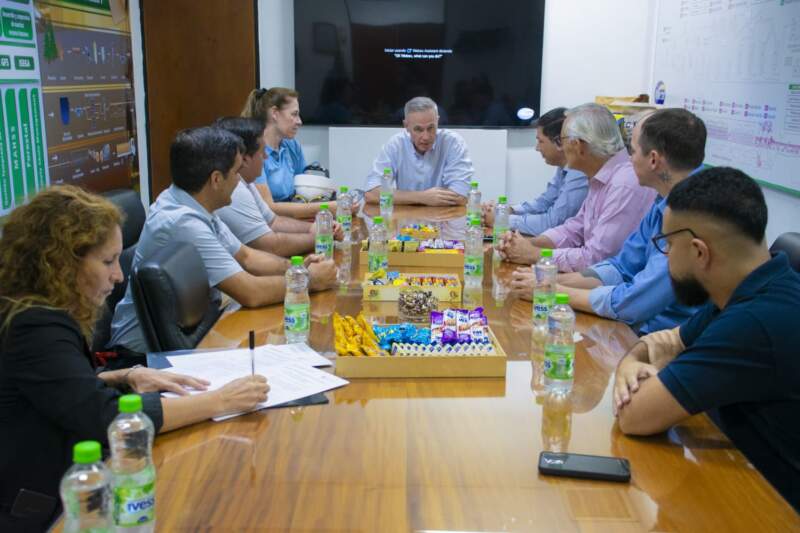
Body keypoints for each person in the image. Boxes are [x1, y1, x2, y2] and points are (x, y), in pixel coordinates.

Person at [0, 186, 269, 530]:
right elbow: (107, 417)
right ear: (61, 263)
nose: (118, 275)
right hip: (43, 509)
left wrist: (123, 375)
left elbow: (55, 387)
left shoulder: (34, 309)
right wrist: (220, 401)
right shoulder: (34, 326)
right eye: (107, 261)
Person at [613, 167, 800, 511]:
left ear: (699, 252)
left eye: (668, 245)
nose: (666, 255)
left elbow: (635, 417)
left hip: (772, 510)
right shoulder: (756, 284)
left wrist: (635, 374)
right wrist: (630, 364)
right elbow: (668, 340)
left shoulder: (753, 322)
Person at [109, 127, 336, 354]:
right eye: (236, 172)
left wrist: (297, 269)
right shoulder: (183, 222)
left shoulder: (194, 202)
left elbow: (247, 257)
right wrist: (310, 280)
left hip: (199, 330)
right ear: (216, 179)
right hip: (141, 356)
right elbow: (250, 292)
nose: (240, 181)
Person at [511, 108, 706, 335]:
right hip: (638, 324)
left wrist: (552, 290)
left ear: (653, 159)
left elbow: (633, 303)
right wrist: (547, 280)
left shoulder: (690, 211)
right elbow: (621, 267)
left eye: (633, 150)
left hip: (663, 335)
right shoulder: (663, 200)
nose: (629, 159)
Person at [498, 103, 655, 272]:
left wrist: (535, 254)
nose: (561, 147)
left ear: (578, 145)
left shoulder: (623, 185)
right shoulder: (601, 175)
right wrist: (527, 244)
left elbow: (595, 258)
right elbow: (575, 228)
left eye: (562, 140)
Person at [213, 116, 343, 256]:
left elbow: (274, 222)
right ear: (244, 159)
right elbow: (270, 246)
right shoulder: (235, 190)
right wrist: (322, 236)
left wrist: (316, 227)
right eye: (262, 152)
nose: (266, 157)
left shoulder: (246, 182)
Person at [241, 87, 351, 219]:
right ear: (275, 113)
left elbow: (303, 193)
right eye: (294, 114)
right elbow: (268, 208)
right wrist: (328, 207)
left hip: (293, 219)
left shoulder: (292, 146)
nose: (300, 121)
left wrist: (334, 201)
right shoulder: (254, 151)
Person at [482, 107, 588, 235]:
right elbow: (544, 202)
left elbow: (552, 222)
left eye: (540, 141)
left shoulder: (579, 172)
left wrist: (502, 220)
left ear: (559, 142)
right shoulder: (564, 167)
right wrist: (508, 210)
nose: (537, 148)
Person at [363, 96, 473, 206]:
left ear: (437, 121)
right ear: (406, 126)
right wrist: (422, 197)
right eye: (418, 129)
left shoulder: (453, 143)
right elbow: (371, 194)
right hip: (406, 215)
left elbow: (461, 196)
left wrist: (401, 197)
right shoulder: (396, 145)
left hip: (443, 215)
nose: (426, 137)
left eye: (431, 128)